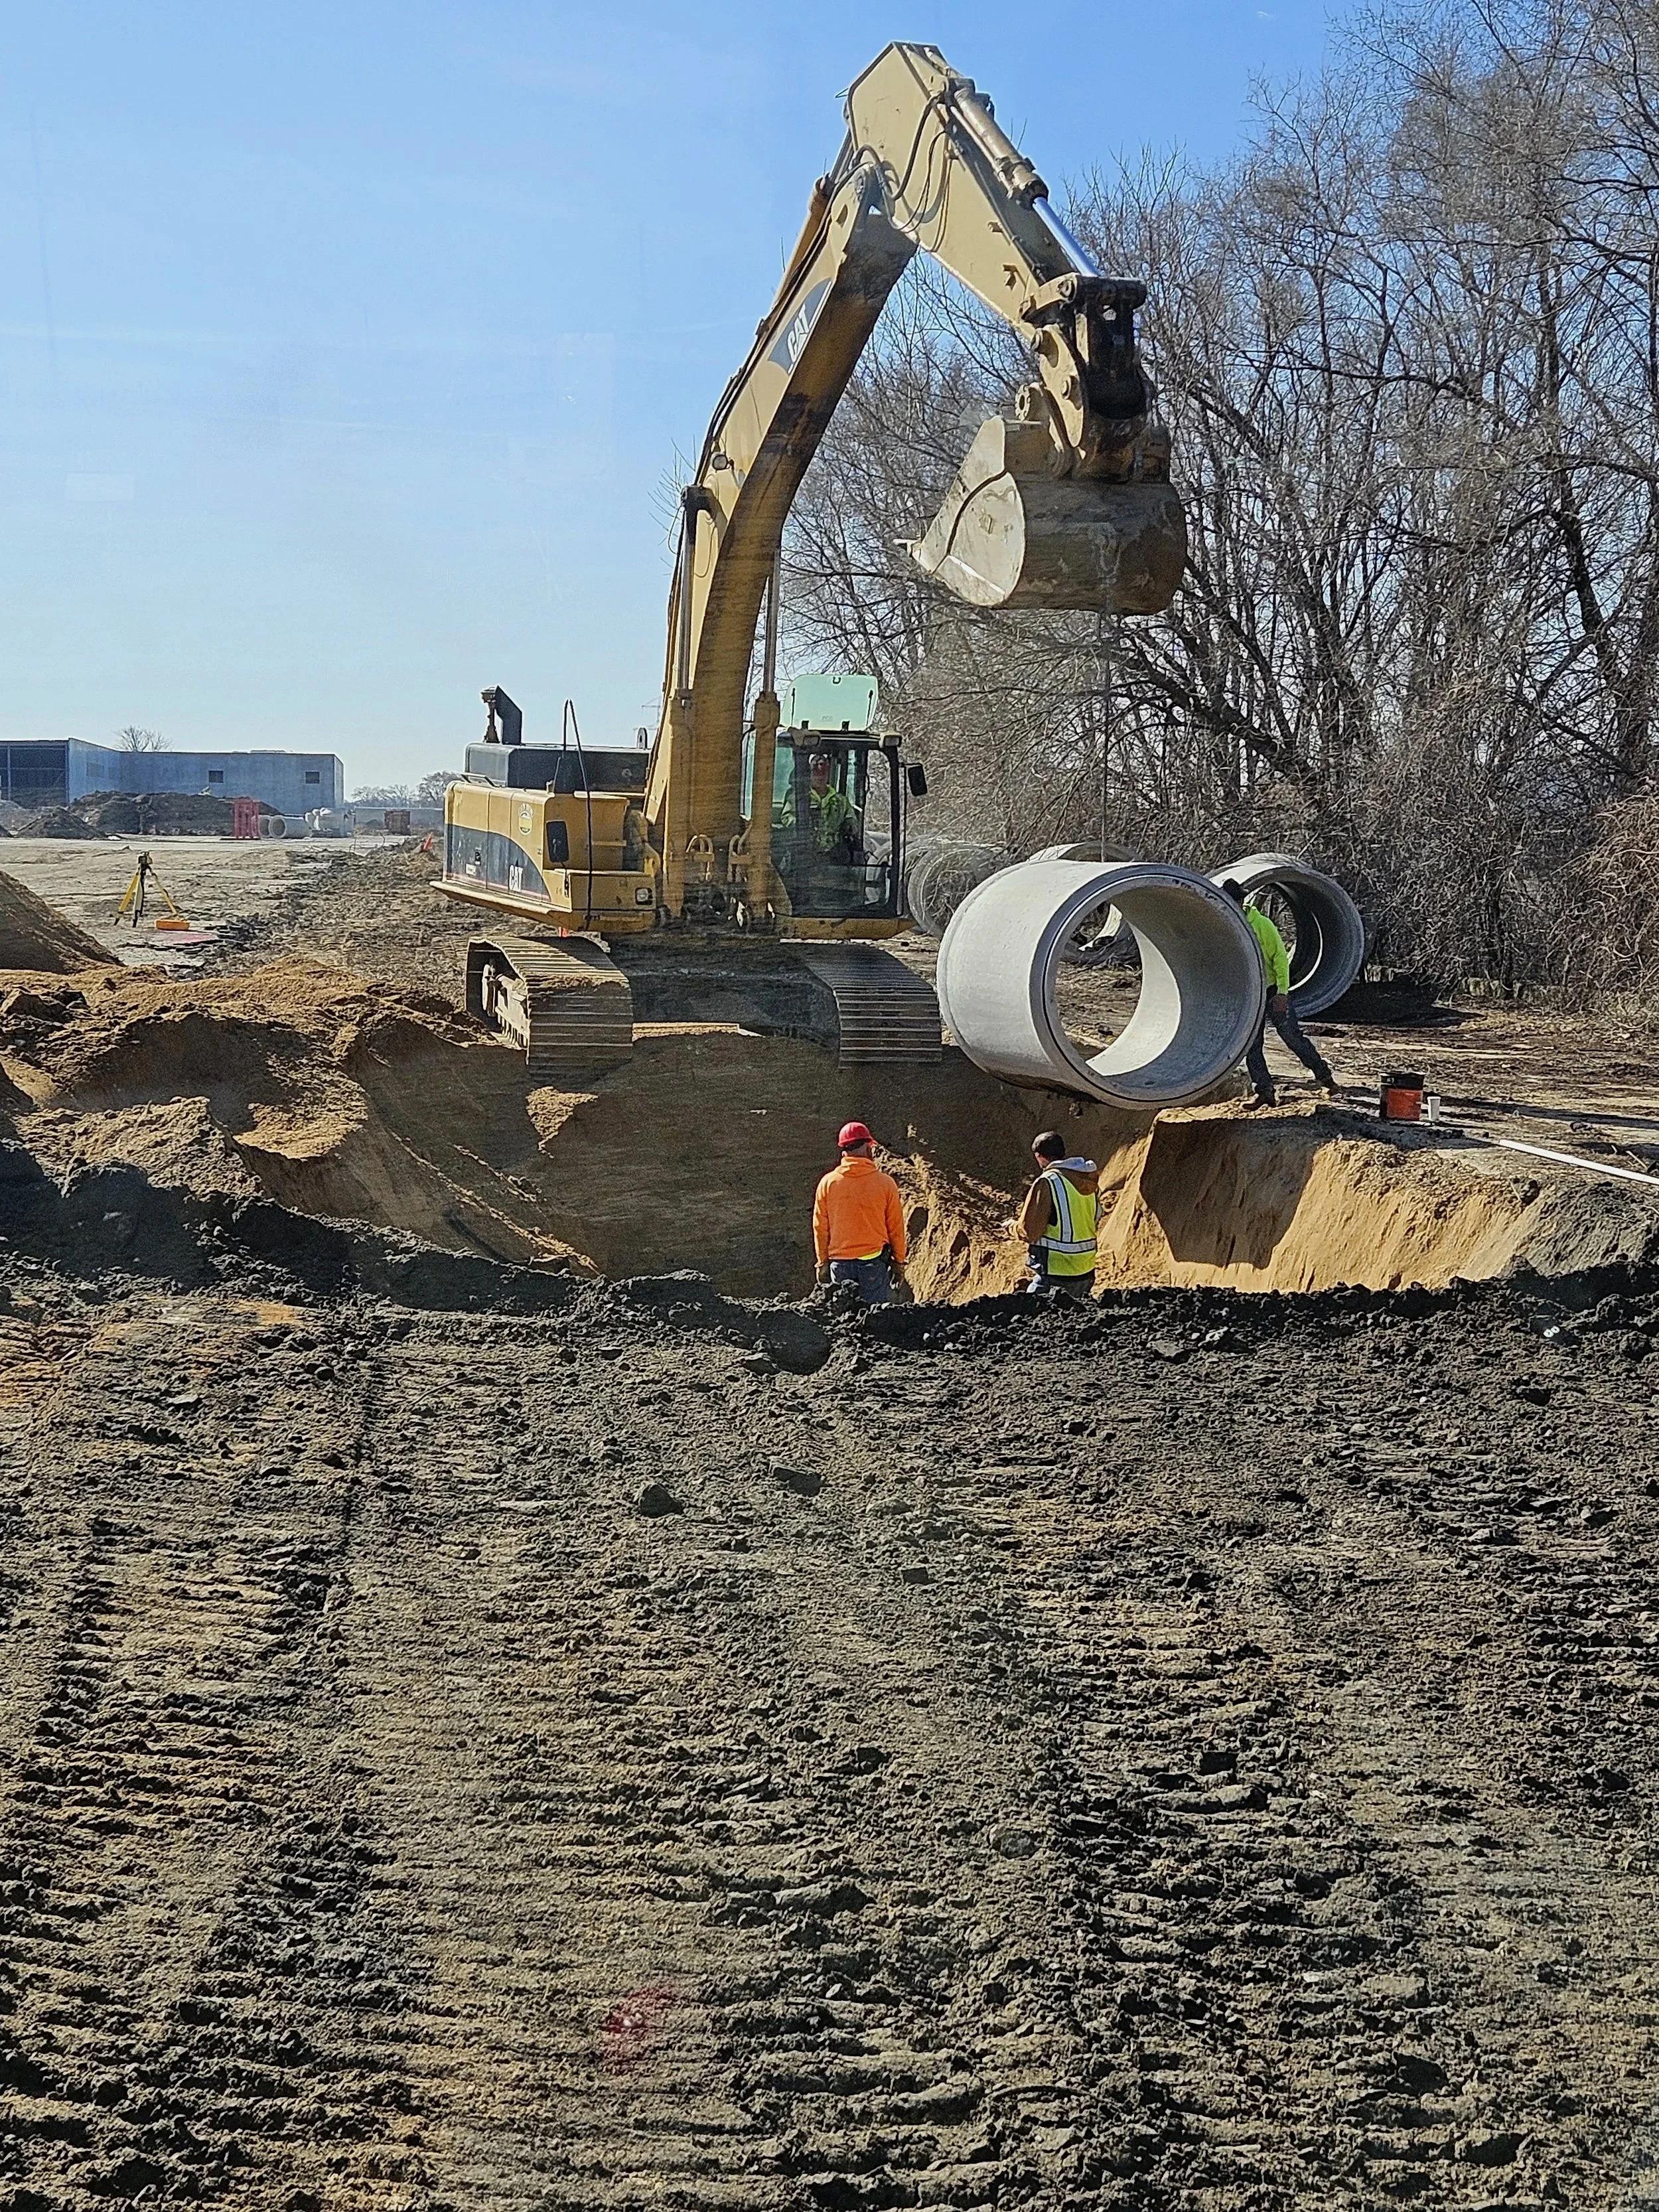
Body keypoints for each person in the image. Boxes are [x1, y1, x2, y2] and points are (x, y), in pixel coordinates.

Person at [1220, 878, 1340, 1108]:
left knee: (1291, 1035)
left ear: (1238, 902)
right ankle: (1264, 1091)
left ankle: (1324, 1077)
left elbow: (1280, 960)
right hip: (1251, 993)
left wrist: (1282, 993)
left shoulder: (1261, 925)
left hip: (1273, 989)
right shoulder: (1226, 926)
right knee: (1252, 1044)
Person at [813, 1120, 906, 1304]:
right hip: (873, 1263)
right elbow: (896, 1227)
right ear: (868, 1149)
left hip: (840, 1265)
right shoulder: (885, 1184)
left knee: (844, 1319)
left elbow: (820, 1227)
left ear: (844, 1152)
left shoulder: (827, 1184)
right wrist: (899, 1262)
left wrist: (822, 1262)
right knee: (874, 1317)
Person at [1019, 1131, 1100, 1299]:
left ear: (1040, 1156)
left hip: (1056, 1272)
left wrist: (1012, 1228)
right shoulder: (1088, 1180)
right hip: (1086, 1271)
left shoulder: (1048, 1182)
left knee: (1029, 1314)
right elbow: (1097, 1215)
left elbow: (1030, 1231)